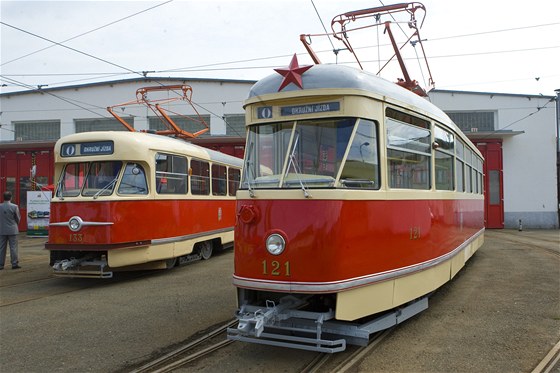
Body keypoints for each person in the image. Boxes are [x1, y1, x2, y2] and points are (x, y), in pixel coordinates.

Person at [0, 191, 21, 270]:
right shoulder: (14, 206)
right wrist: (15, 224)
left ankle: (1, 265)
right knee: (13, 247)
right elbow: (18, 218)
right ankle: (14, 264)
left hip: (2, 229)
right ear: (11, 197)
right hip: (13, 230)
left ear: (3, 198)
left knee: (1, 248)